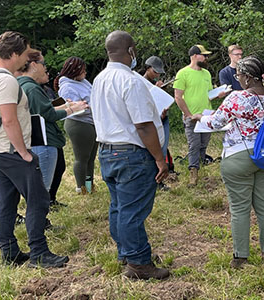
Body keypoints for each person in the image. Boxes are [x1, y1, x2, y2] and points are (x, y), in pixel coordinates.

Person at [0, 31, 69, 268]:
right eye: (25, 54)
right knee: (39, 199)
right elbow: (10, 120)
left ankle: (10, 253)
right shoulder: (7, 80)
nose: (28, 60)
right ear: (14, 53)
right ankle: (39, 252)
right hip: (10, 150)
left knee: (6, 201)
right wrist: (24, 152)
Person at [91, 30, 170, 280]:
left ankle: (128, 251)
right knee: (132, 211)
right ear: (131, 51)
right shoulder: (131, 81)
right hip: (131, 154)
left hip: (108, 152)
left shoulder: (100, 79)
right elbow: (144, 125)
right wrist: (160, 158)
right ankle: (138, 263)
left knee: (119, 207)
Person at [196, 56, 264, 268]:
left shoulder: (237, 98)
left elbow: (215, 122)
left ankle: (241, 257)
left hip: (238, 156)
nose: (238, 79)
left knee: (240, 209)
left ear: (249, 78)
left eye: (239, 76)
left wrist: (200, 118)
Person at [18, 50, 87, 209]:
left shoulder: (21, 84)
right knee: (42, 186)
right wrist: (72, 110)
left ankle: (44, 210)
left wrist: (66, 106)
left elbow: (43, 108)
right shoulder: (32, 88)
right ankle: (41, 220)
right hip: (44, 141)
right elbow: (47, 113)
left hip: (36, 139)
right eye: (43, 65)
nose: (45, 69)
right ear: (34, 65)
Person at [173, 44, 227, 186]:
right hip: (191, 117)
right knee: (194, 145)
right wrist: (188, 114)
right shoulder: (182, 73)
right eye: (204, 55)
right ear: (194, 56)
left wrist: (218, 95)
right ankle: (193, 173)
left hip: (205, 116)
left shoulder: (206, 74)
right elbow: (178, 97)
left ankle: (201, 168)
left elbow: (208, 95)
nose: (206, 58)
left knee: (203, 145)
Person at [55, 57, 98, 194]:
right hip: (79, 124)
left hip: (91, 122)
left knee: (90, 158)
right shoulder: (67, 87)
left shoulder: (83, 82)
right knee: (82, 158)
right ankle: (81, 188)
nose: (85, 73)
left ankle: (90, 186)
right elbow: (72, 109)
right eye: (83, 70)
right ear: (75, 71)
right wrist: (89, 107)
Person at [142, 56, 174, 190]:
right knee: (154, 152)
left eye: (159, 73)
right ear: (147, 69)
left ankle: (160, 180)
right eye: (155, 72)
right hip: (150, 121)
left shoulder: (154, 83)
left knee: (162, 148)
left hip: (161, 117)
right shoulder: (141, 83)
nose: (157, 75)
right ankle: (154, 182)